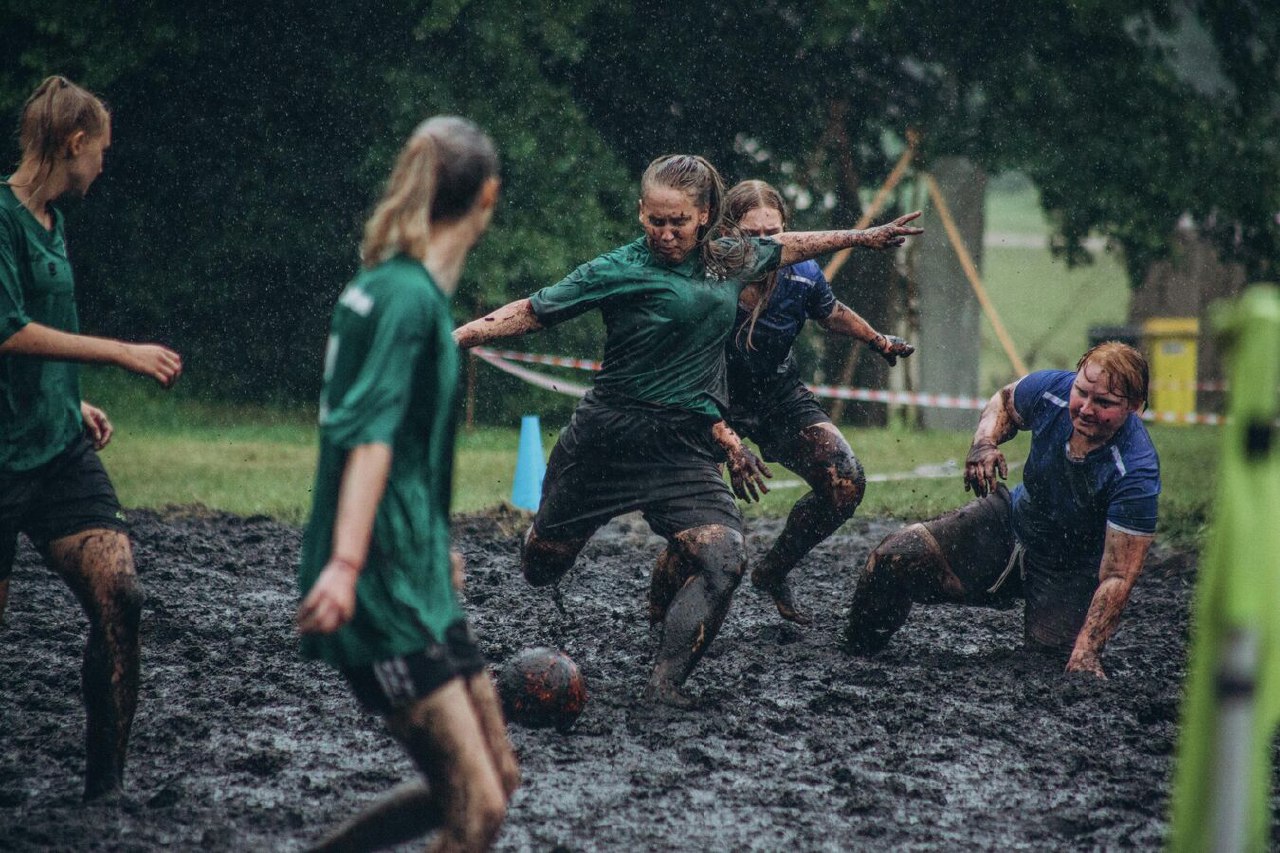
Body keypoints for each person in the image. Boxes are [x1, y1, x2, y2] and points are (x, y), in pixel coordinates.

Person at [454, 154, 922, 706]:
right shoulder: (617, 269)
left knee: (725, 556)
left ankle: (665, 684)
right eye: (655, 221)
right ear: (641, 215)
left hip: (679, 448)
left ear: (704, 217)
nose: (666, 234)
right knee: (541, 567)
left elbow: (791, 246)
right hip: (605, 441)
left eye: (678, 222)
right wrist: (454, 339)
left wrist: (864, 238)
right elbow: (532, 310)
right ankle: (547, 537)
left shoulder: (727, 261)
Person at [295, 116, 518, 851]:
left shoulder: (392, 285)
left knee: (497, 781)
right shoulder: (407, 299)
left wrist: (436, 543)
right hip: (382, 585)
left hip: (417, 570)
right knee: (477, 807)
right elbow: (371, 439)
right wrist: (347, 565)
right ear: (487, 197)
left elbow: (411, 453)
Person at [0, 76, 183, 801]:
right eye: (101, 150)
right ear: (74, 144)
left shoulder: (52, 220)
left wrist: (72, 404)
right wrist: (121, 351)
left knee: (122, 596)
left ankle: (104, 791)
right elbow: (8, 330)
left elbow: (34, 341)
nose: (105, 164)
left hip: (56, 451)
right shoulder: (0, 217)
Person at [657, 179, 916, 626]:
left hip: (776, 396)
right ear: (726, 233)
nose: (764, 245)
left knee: (845, 482)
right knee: (702, 524)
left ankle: (774, 571)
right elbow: (683, 373)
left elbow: (830, 312)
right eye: (752, 236)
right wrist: (730, 446)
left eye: (772, 234)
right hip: (707, 403)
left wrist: (878, 341)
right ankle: (662, 615)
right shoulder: (703, 280)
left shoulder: (802, 273)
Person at [843, 342, 1160, 678]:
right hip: (1011, 521)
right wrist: (984, 443)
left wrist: (1087, 650)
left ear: (1135, 407)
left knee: (1051, 669)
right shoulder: (1052, 390)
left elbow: (1118, 574)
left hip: (1068, 569)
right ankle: (852, 651)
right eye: (1081, 392)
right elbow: (1004, 403)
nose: (1085, 408)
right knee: (893, 558)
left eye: (1104, 403)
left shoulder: (1136, 470)